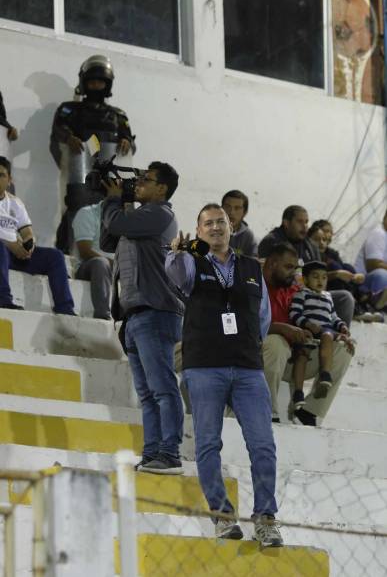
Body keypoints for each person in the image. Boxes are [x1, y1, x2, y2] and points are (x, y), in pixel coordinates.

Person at [166, 203, 283, 547]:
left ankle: (265, 519)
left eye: (221, 222)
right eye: (207, 224)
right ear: (199, 230)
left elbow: (262, 316)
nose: (215, 228)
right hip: (204, 366)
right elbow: (177, 278)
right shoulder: (190, 260)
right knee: (207, 444)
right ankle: (222, 515)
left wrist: (247, 343)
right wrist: (177, 252)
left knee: (263, 445)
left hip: (248, 368)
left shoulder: (250, 267)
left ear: (232, 226)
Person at [100, 161, 184, 475]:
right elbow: (107, 240)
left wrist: (114, 200)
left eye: (146, 180)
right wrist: (116, 200)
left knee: (162, 388)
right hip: (134, 314)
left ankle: (171, 454)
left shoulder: (161, 214)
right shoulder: (138, 218)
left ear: (162, 188)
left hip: (155, 311)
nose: (139, 184)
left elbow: (118, 225)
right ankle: (153, 454)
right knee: (147, 393)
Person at [50, 55, 136, 253]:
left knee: (112, 214)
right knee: (76, 210)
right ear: (84, 82)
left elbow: (129, 140)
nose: (96, 85)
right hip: (80, 172)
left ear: (107, 85)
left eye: (100, 82)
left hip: (111, 176)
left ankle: (112, 259)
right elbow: (58, 130)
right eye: (92, 81)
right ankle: (66, 253)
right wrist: (68, 137)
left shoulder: (118, 115)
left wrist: (127, 141)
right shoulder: (69, 109)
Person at [262, 243, 353, 425]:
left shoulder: (297, 290)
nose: (293, 273)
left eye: (296, 268)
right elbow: (244, 325)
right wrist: (282, 328)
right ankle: (267, 411)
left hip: (297, 358)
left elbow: (319, 319)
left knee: (344, 349)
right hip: (264, 356)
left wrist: (337, 333)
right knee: (276, 343)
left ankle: (309, 412)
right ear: (271, 264)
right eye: (288, 267)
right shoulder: (254, 285)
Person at [0, 156, 75, 314]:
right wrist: (11, 246)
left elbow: (27, 231)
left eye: (1, 175)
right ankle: (3, 300)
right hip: (3, 252)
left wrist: (28, 244)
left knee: (55, 256)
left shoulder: (15, 203)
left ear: (9, 180)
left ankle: (65, 308)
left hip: (16, 255)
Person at [258, 205, 355, 326]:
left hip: (309, 294)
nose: (304, 226)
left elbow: (319, 276)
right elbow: (272, 277)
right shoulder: (272, 241)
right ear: (286, 223)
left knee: (345, 298)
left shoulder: (310, 245)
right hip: (283, 296)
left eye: (306, 222)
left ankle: (339, 335)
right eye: (299, 221)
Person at [289, 260, 353, 410]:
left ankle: (325, 374)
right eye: (315, 277)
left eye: (324, 277)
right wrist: (308, 324)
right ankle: (298, 393)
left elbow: (333, 317)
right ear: (305, 279)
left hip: (324, 331)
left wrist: (342, 326)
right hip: (307, 331)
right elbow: (294, 313)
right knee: (302, 355)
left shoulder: (328, 297)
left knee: (328, 337)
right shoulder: (301, 294)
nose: (320, 281)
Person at [72, 201, 113, 320]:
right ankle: (103, 314)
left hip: (115, 269)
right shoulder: (87, 213)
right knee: (101, 263)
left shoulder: (126, 218)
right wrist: (116, 265)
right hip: (89, 268)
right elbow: (85, 251)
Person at [354, 209, 387, 311]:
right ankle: (373, 304)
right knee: (382, 274)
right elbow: (373, 264)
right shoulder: (379, 233)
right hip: (362, 283)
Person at [221, 190, 258, 256]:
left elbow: (253, 262)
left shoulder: (248, 236)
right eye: (228, 206)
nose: (231, 212)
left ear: (245, 212)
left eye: (237, 208)